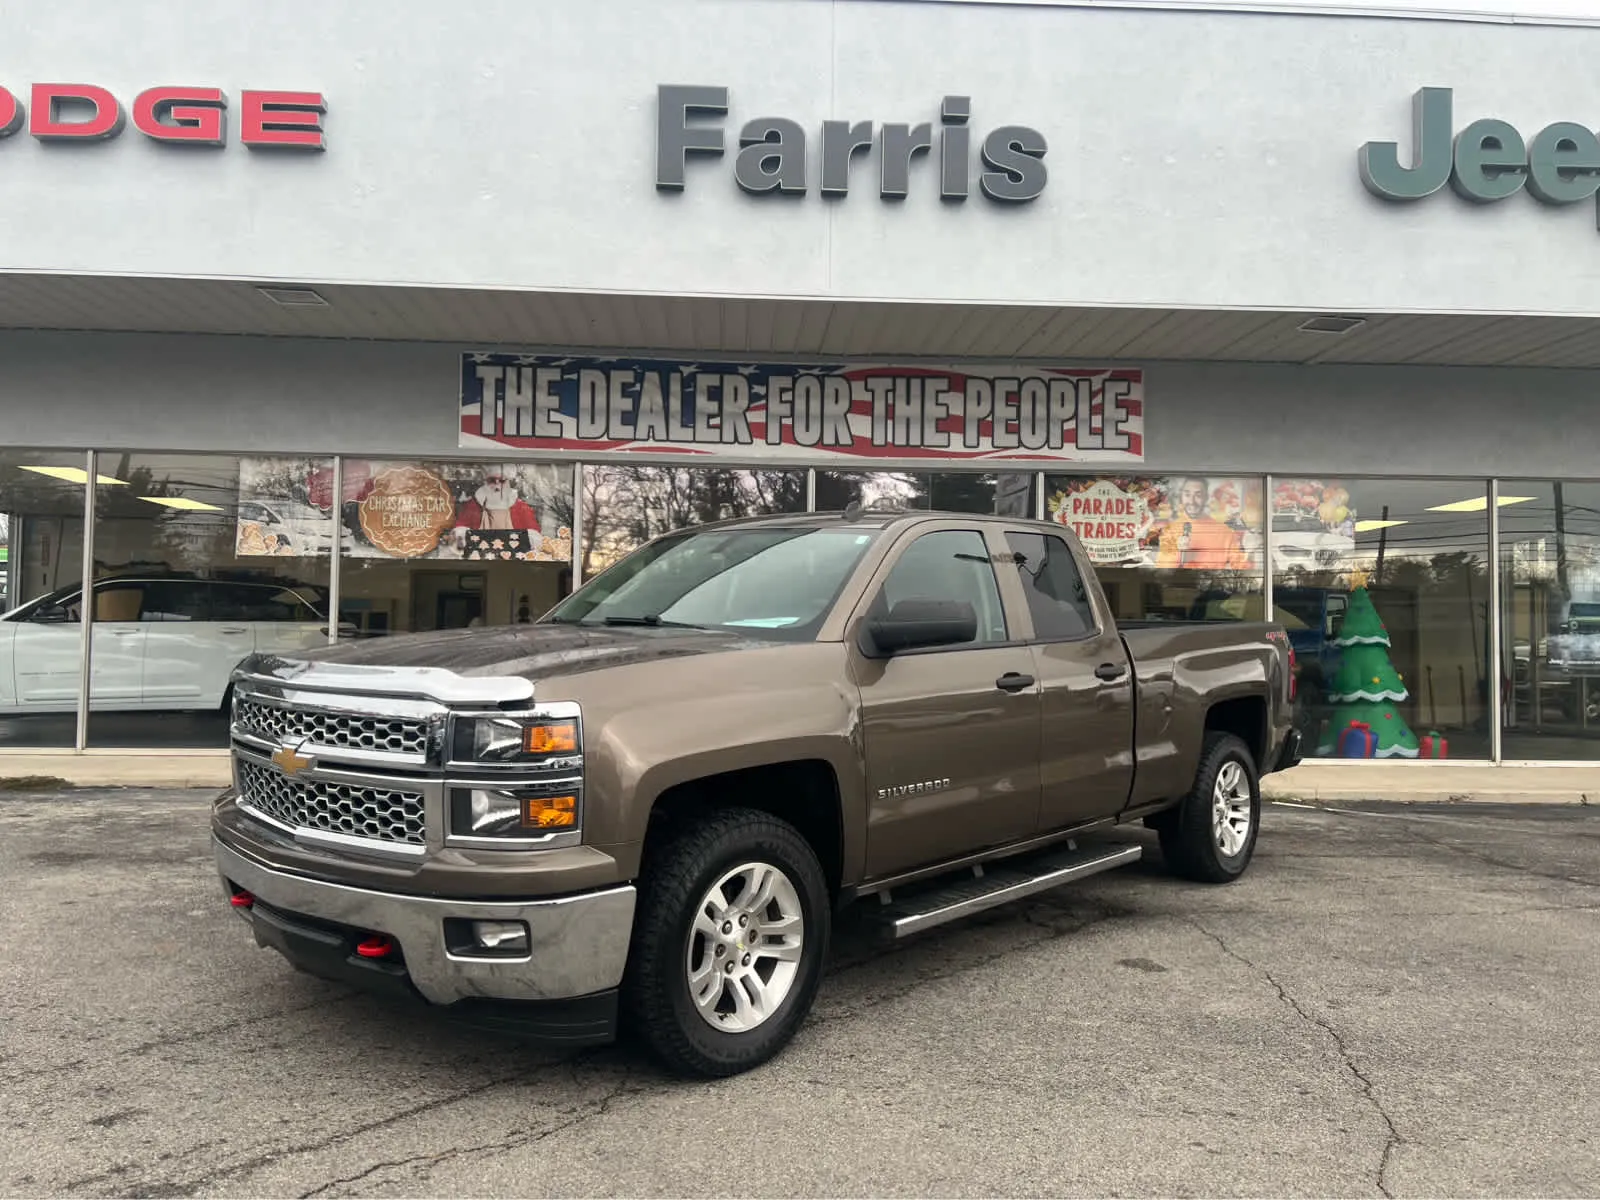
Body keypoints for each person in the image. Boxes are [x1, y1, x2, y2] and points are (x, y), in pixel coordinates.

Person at [1155, 477, 1251, 571]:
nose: (1191, 501)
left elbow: (1242, 569)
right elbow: (1162, 572)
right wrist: (1179, 553)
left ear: (1206, 498)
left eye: (1198, 495)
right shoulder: (1170, 531)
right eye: (1187, 495)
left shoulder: (1225, 532)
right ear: (1181, 497)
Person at [454, 470, 542, 534]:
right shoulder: (474, 505)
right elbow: (460, 528)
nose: (497, 486)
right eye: (492, 481)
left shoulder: (520, 506)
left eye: (502, 481)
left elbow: (533, 532)